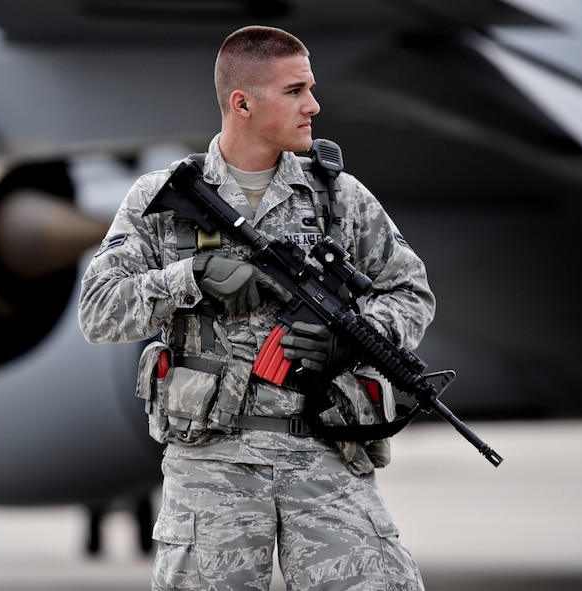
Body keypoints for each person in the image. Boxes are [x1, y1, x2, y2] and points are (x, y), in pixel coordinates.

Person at [79, 24, 435, 591]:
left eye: (310, 88)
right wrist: (189, 278)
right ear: (242, 102)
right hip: (211, 467)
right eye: (295, 91)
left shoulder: (338, 197)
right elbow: (98, 312)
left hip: (325, 456)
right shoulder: (161, 200)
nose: (313, 105)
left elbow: (411, 293)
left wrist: (356, 334)